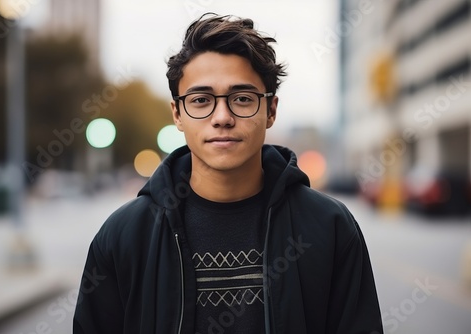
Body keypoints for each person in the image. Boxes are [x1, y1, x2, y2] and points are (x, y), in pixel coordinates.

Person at [73, 13, 383, 334]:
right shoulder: (123, 236)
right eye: (201, 100)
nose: (222, 117)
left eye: (242, 99)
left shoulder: (329, 228)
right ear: (178, 114)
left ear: (271, 111)